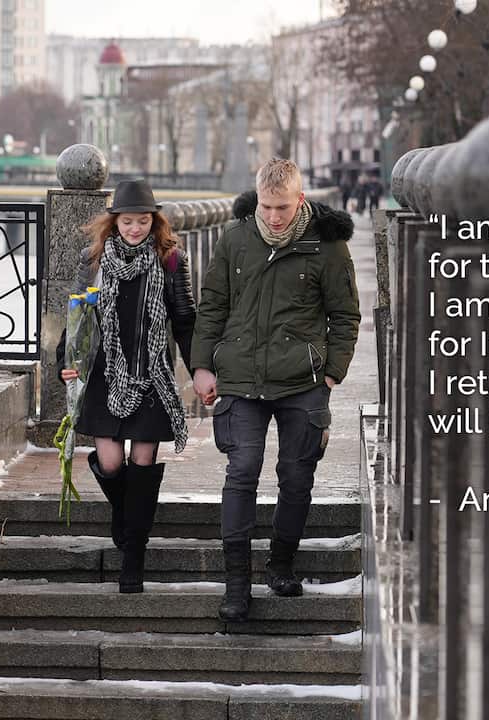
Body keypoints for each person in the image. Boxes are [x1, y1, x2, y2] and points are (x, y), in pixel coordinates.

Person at [190, 158, 361, 622]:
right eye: (266, 206)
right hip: (242, 378)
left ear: (300, 200)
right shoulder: (236, 239)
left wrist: (331, 375)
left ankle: (281, 565)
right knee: (241, 470)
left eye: (282, 207)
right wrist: (201, 366)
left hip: (302, 382)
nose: (273, 217)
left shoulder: (327, 248)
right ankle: (236, 585)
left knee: (296, 474)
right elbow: (212, 308)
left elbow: (345, 316)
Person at [57, 178, 197, 594]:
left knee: (142, 460)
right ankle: (125, 517)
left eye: (142, 222)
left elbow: (186, 320)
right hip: (105, 372)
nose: (134, 229)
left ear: (154, 223)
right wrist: (67, 362)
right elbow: (78, 314)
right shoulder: (95, 258)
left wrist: (202, 369)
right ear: (113, 221)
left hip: (152, 373)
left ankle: (133, 555)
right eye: (127, 221)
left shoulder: (171, 260)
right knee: (112, 462)